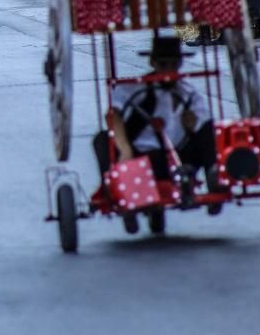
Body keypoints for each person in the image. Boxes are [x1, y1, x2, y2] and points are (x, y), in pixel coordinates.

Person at [93, 35, 222, 224]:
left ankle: (214, 178)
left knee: (211, 129)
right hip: (141, 157)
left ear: (179, 64)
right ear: (153, 62)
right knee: (102, 139)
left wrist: (192, 124)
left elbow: (202, 123)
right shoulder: (132, 88)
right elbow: (114, 115)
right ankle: (119, 189)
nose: (169, 71)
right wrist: (125, 149)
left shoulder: (187, 92)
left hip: (179, 159)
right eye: (163, 64)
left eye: (174, 64)